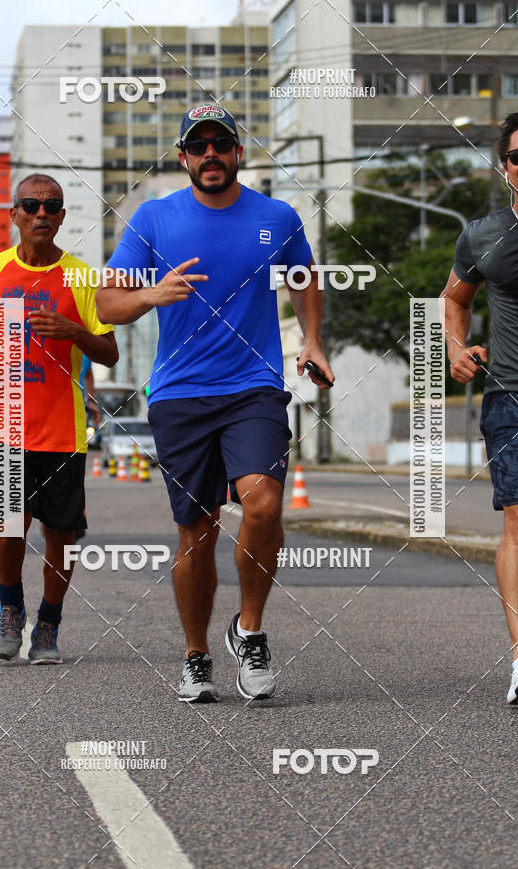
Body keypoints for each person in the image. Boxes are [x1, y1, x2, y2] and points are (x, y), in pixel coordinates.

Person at [97, 104, 332, 702]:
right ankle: (196, 654)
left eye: (220, 145)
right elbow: (106, 306)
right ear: (182, 158)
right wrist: (153, 293)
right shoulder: (153, 218)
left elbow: (303, 279)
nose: (209, 155)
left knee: (264, 503)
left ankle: (249, 630)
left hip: (253, 387)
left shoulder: (275, 217)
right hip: (178, 394)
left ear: (237, 154)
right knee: (196, 531)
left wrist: (310, 341)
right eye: (197, 146)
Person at [0, 173, 118, 665]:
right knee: (9, 524)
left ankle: (48, 624)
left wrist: (73, 330)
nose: (41, 214)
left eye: (52, 207)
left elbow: (110, 352)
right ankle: (11, 609)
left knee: (62, 533)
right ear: (14, 214)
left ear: (62, 217)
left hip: (62, 430)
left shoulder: (81, 278)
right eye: (30, 205)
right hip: (6, 424)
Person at [442, 111, 518, 705]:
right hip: (509, 397)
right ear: (507, 168)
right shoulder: (482, 234)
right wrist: (455, 348)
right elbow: (452, 299)